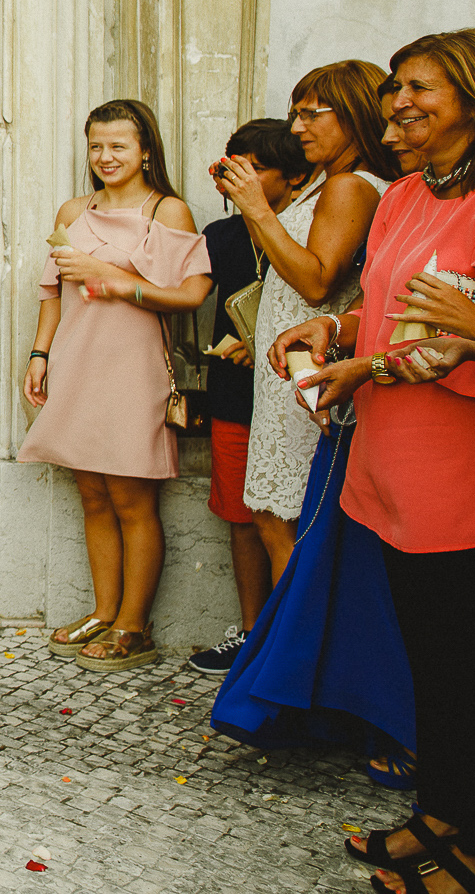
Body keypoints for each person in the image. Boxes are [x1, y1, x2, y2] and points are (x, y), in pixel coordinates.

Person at [279, 29, 475, 894]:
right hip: (391, 467)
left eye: (421, 86)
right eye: (395, 84)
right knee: (430, 661)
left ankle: (470, 853)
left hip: (460, 476)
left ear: (471, 98)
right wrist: (337, 331)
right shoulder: (401, 196)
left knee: (465, 664)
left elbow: (450, 338)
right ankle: (440, 814)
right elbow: (381, 304)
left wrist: (391, 357)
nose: (398, 100)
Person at [20, 98, 212, 671]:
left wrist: (115, 279)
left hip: (132, 368)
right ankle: (104, 611)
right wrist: (39, 353)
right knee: (93, 494)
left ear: (145, 149)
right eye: (96, 146)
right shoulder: (74, 209)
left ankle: (135, 627)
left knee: (132, 498)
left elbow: (193, 295)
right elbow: (53, 291)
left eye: (118, 146)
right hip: (77, 361)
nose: (105, 156)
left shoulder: (167, 211)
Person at [223, 61, 397, 581]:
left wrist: (257, 209)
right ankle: (286, 650)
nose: (296, 128)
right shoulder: (327, 182)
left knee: (286, 524)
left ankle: (295, 656)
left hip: (311, 367)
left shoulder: (351, 186)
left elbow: (318, 281)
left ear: (352, 114)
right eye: (294, 114)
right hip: (288, 365)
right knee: (272, 517)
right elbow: (282, 260)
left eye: (309, 114)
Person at [186, 118, 310, 674]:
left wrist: (260, 340)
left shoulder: (308, 232)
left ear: (295, 176)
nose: (243, 177)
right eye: (235, 165)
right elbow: (185, 292)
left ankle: (293, 643)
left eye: (258, 168)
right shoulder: (222, 234)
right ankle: (253, 632)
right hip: (234, 396)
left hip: (291, 396)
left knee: (287, 518)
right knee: (242, 514)